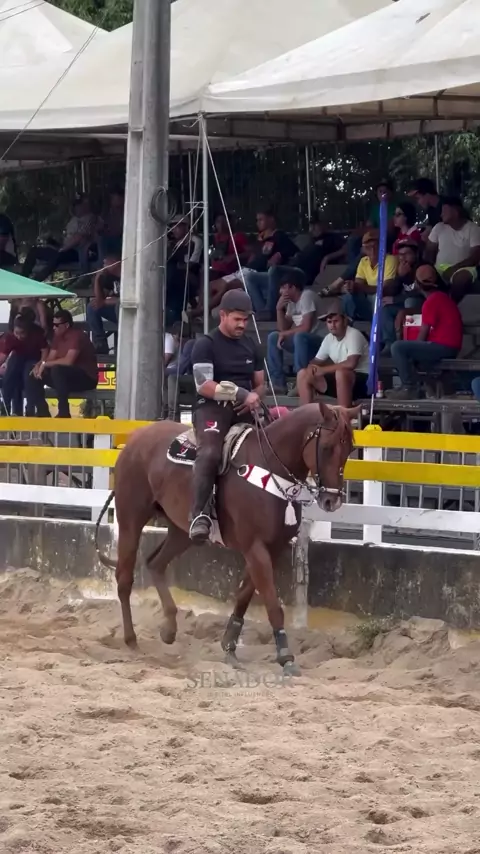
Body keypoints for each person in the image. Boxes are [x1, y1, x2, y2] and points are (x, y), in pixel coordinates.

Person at [189, 289, 264, 543]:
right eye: (237, 319)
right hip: (212, 407)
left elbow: (261, 385)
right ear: (222, 315)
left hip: (245, 408)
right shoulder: (206, 344)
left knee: (275, 445)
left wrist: (254, 397)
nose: (242, 324)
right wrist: (242, 394)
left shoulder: (252, 346)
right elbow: (203, 385)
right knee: (210, 453)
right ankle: (199, 515)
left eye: (246, 319)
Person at [387, 264, 463, 400]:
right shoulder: (441, 297)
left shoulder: (432, 301)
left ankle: (409, 387)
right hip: (448, 346)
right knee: (409, 354)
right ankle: (418, 387)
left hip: (444, 347)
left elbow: (423, 335)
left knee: (397, 347)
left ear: (417, 284)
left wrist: (411, 350)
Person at [24, 309, 98, 418]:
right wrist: (40, 365)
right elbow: (49, 359)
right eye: (53, 325)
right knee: (31, 370)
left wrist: (45, 364)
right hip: (63, 379)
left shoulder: (77, 336)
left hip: (86, 378)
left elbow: (68, 361)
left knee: (57, 369)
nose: (54, 328)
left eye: (57, 325)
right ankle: (41, 411)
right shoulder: (57, 337)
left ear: (66, 325)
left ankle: (64, 412)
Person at [297, 300, 369, 407]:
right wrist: (311, 368)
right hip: (339, 380)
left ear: (345, 321)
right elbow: (316, 361)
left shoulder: (354, 334)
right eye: (329, 322)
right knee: (303, 373)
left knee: (341, 373)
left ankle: (344, 415)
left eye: (336, 321)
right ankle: (306, 414)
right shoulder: (328, 338)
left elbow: (351, 364)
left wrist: (323, 370)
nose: (332, 325)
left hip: (363, 382)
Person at [267, 269, 322, 393]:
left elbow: (306, 327)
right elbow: (283, 329)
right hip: (302, 343)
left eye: (283, 288)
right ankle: (278, 383)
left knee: (299, 336)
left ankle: (301, 381)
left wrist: (284, 333)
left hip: (320, 341)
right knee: (273, 337)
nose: (280, 292)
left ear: (291, 287)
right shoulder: (291, 303)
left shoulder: (307, 296)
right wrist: (278, 309)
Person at [22, 194, 102, 281]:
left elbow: (80, 237)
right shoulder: (73, 220)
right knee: (34, 251)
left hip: (77, 252)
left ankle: (36, 280)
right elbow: (66, 238)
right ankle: (22, 278)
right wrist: (53, 241)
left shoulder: (91, 218)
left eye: (80, 204)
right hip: (64, 249)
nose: (77, 207)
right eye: (76, 205)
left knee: (58, 257)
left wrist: (63, 248)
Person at [242, 207, 297, 318]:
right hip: (251, 270)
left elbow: (294, 251)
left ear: (271, 219)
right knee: (248, 277)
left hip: (271, 273)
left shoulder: (279, 235)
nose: (258, 223)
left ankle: (268, 312)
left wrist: (280, 254)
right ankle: (262, 311)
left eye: (261, 219)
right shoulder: (260, 239)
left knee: (243, 278)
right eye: (257, 220)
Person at [424, 197, 480, 302]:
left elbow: (475, 257)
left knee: (462, 278)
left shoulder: (473, 229)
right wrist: (429, 269)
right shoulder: (438, 227)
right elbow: (429, 252)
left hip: (464, 268)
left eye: (444, 211)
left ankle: (450, 305)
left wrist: (453, 269)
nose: (441, 215)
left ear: (455, 211)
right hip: (439, 268)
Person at [0, 312, 48, 415]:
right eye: (16, 332)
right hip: (18, 357)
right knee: (9, 374)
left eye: (22, 333)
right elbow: (3, 356)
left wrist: (41, 363)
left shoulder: (37, 334)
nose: (18, 336)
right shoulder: (10, 337)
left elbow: (45, 350)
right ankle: (5, 408)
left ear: (28, 331)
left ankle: (30, 410)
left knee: (28, 375)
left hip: (34, 358)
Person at [342, 231, 397, 321]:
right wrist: (350, 287)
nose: (372, 250)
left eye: (376, 246)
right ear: (363, 249)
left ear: (382, 247)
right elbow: (358, 284)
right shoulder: (363, 261)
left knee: (377, 297)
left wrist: (359, 287)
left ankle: (376, 322)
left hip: (383, 299)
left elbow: (385, 289)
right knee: (348, 297)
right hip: (368, 299)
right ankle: (350, 323)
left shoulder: (390, 259)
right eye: (368, 247)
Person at [290, 213, 346, 287]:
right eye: (311, 225)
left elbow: (345, 249)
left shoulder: (332, 237)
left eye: (315, 225)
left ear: (323, 225)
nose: (312, 228)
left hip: (312, 270)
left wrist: (327, 257)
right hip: (300, 266)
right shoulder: (311, 240)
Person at [167, 220, 203, 323]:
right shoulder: (176, 244)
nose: (174, 230)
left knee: (173, 275)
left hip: (193, 275)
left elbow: (193, 263)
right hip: (178, 275)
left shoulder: (195, 241)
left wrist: (179, 266)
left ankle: (177, 314)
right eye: (173, 228)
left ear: (186, 227)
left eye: (177, 227)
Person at [86, 253, 121, 353]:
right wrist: (97, 279)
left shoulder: (129, 275)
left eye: (106, 262)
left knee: (118, 305)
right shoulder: (110, 277)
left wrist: (105, 302)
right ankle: (100, 343)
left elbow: (126, 299)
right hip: (115, 312)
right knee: (92, 306)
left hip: (127, 311)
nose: (104, 265)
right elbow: (99, 299)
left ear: (115, 262)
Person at [210, 213, 248, 279]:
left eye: (224, 221)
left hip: (230, 273)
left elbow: (250, 253)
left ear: (229, 223)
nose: (221, 224)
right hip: (215, 270)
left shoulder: (237, 236)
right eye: (218, 222)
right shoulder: (215, 237)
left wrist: (234, 256)